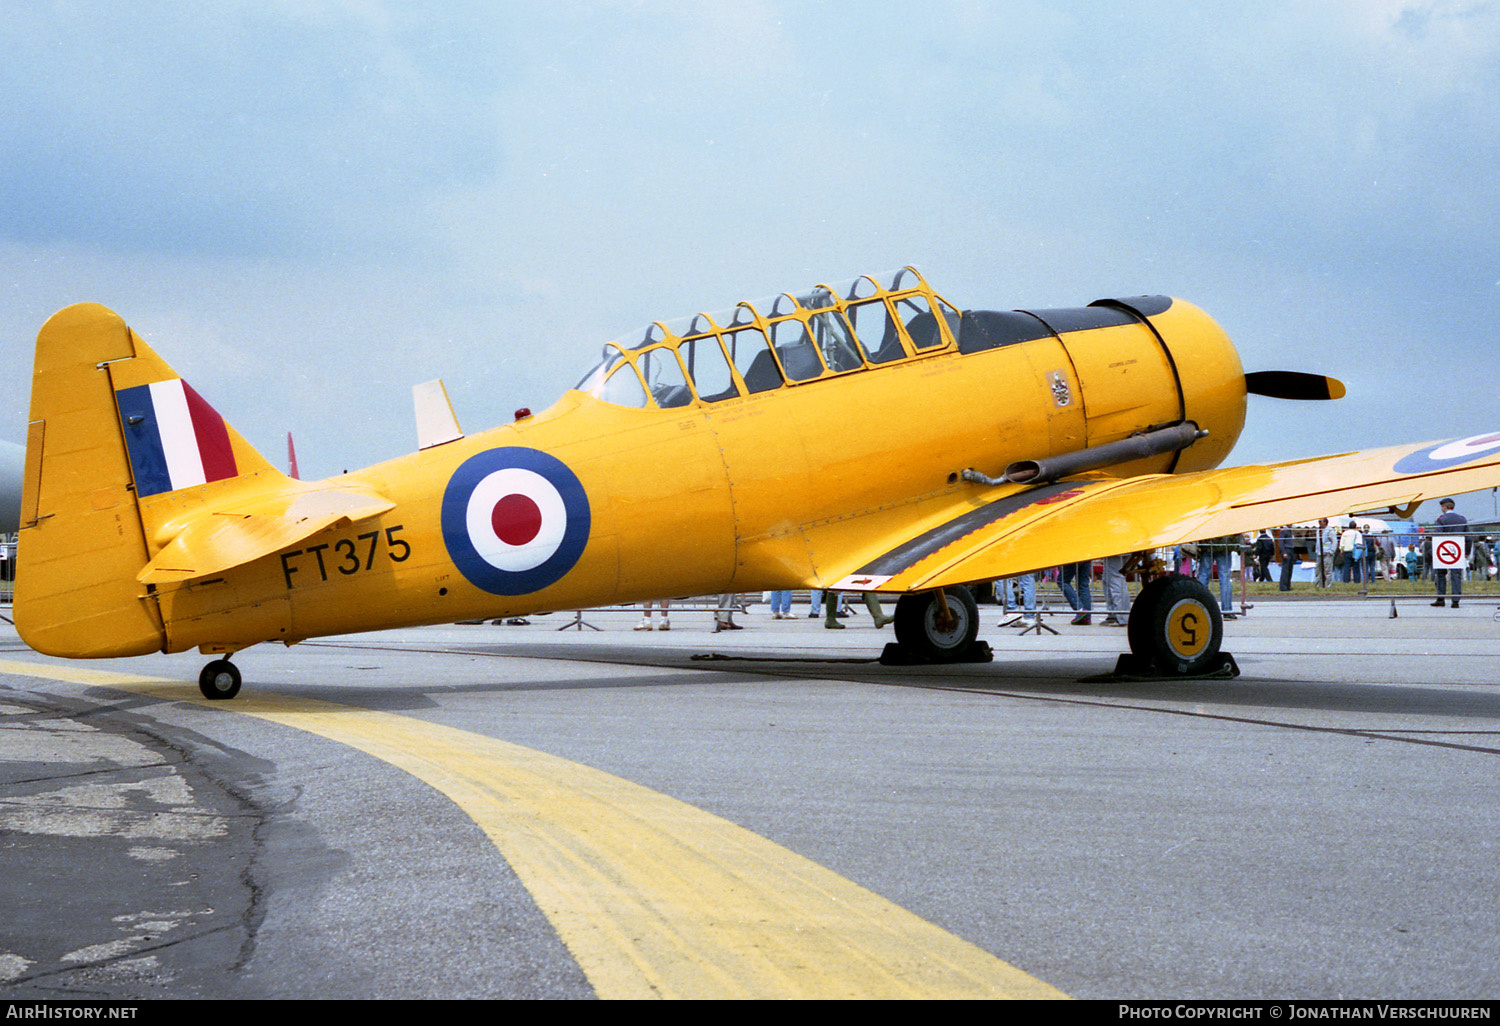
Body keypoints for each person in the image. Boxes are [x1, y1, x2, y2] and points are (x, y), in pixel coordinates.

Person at [1431, 498, 1468, 608]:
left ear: (1444, 507)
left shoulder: (1442, 519)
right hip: (1457, 550)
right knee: (1456, 575)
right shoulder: (1462, 519)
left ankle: (1440, 598)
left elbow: (1438, 535)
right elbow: (1468, 536)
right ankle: (1455, 600)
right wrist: (1467, 551)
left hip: (1443, 550)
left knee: (1441, 574)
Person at [1195, 534, 1238, 618]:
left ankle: (1199, 608)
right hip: (1224, 545)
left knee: (1203, 575)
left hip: (1207, 543)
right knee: (1225, 578)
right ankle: (1227, 610)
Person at [1059, 560, 1093, 625]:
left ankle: (1080, 609)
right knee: (1083, 584)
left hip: (1072, 555)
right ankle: (1086, 617)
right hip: (1087, 554)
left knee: (1062, 581)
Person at [1100, 554, 1128, 625]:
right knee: (1109, 579)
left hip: (1116, 551)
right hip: (1123, 549)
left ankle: (1121, 616)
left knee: (1115, 580)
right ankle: (1115, 614)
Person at [1275, 524, 1297, 591]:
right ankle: (1283, 586)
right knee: (1285, 569)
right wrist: (1284, 552)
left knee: (1290, 569)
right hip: (1286, 549)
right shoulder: (1283, 531)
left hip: (1291, 549)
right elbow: (1281, 542)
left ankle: (1288, 585)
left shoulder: (1290, 531)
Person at [1317, 518, 1336, 587]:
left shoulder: (1330, 530)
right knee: (1318, 570)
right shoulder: (1318, 530)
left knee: (1327, 570)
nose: (1319, 523)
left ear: (1325, 522)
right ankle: (1319, 585)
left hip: (1327, 553)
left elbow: (1334, 541)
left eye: (1320, 521)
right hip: (1319, 553)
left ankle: (1328, 585)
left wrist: (1331, 551)